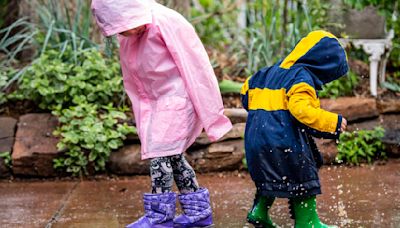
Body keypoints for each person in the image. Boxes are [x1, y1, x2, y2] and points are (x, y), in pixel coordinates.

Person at [91, 1, 232, 227]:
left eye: (125, 27)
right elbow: (134, 77)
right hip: (158, 102)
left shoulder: (166, 21)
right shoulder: (130, 35)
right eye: (119, 30)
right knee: (172, 156)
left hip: (179, 97)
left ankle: (159, 218)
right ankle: (198, 212)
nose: (124, 33)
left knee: (159, 155)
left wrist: (210, 111)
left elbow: (196, 65)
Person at [241, 30, 348, 228]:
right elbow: (301, 111)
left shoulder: (265, 72)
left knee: (270, 175)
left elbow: (245, 93)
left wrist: (266, 117)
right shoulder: (300, 78)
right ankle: (307, 222)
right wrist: (333, 122)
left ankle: (259, 211)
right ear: (321, 64)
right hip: (282, 140)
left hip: (255, 139)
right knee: (303, 176)